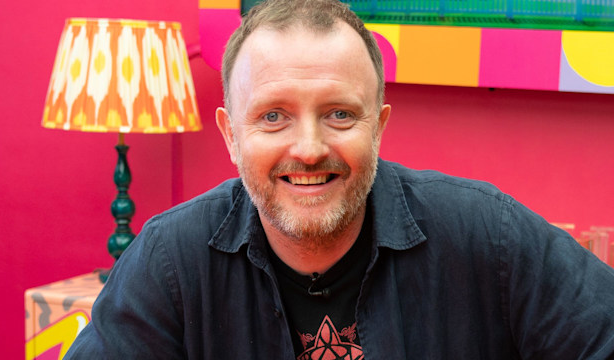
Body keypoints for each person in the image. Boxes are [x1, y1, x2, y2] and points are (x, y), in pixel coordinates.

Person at [64, 0, 614, 358]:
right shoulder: (170, 260)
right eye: (273, 116)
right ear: (231, 137)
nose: (308, 149)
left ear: (379, 126)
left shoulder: (489, 236)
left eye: (340, 115)